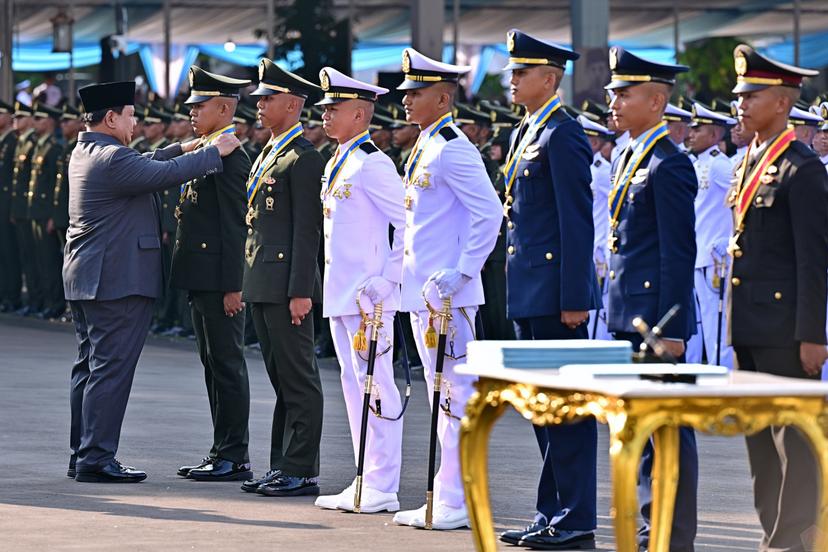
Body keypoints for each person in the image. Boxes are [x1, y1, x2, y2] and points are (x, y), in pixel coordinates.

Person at [64, 80, 240, 483]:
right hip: (117, 281)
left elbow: (148, 161)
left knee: (90, 368)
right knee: (110, 370)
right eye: (130, 115)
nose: (135, 121)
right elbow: (163, 173)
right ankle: (96, 457)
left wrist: (184, 147)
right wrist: (214, 152)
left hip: (90, 279)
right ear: (111, 118)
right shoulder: (112, 159)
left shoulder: (89, 150)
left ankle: (83, 451)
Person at [496, 30, 600, 550]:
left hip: (556, 294)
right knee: (541, 409)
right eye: (512, 71)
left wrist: (574, 299)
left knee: (566, 410)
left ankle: (577, 516)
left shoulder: (563, 134)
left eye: (521, 72)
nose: (511, 79)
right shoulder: (527, 131)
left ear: (550, 78)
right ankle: (553, 511)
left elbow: (577, 223)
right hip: (529, 288)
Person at [391, 47, 501, 531]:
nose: (407, 102)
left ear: (442, 96)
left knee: (455, 397)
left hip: (448, 297)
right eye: (406, 94)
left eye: (416, 94)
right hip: (424, 293)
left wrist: (463, 270)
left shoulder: (453, 146)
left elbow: (490, 212)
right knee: (443, 399)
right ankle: (448, 492)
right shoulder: (427, 145)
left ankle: (456, 497)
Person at [727, 44, 828, 552]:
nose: (740, 103)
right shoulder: (750, 161)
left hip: (787, 329)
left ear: (783, 103)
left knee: (794, 441)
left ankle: (793, 540)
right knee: (760, 443)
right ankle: (773, 534)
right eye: (740, 95)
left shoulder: (802, 168)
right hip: (748, 326)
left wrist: (813, 335)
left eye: (752, 95)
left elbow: (814, 260)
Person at [605, 46, 699, 552]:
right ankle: (648, 533)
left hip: (656, 324)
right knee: (642, 432)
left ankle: (670, 538)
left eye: (625, 93)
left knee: (668, 435)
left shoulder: (669, 164)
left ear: (658, 100)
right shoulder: (629, 153)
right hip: (629, 315)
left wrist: (673, 327)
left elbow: (677, 253)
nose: (613, 102)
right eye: (614, 92)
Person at [311, 67, 406, 513]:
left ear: (361, 113)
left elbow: (407, 223)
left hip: (370, 297)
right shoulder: (340, 159)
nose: (326, 116)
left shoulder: (373, 163)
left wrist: (390, 278)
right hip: (344, 294)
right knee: (354, 388)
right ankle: (365, 476)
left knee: (377, 386)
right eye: (325, 109)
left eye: (335, 109)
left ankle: (382, 485)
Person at [239, 59, 325, 498]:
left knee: (298, 378)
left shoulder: (303, 158)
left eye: (267, 98)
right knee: (280, 379)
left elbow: (306, 230)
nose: (259, 105)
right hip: (262, 280)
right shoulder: (271, 151)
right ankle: (282, 464)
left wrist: (300, 292)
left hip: (286, 286)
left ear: (292, 104)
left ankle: (302, 468)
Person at [170, 67, 253, 482]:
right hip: (201, 275)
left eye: (199, 106)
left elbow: (237, 225)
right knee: (212, 363)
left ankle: (234, 455)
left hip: (219, 280)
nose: (191, 113)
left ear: (224, 107)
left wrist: (234, 285)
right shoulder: (206, 149)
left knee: (227, 364)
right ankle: (221, 449)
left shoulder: (231, 157)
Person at [683, 103, 735, 368]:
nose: (691, 134)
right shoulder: (697, 163)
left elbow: (740, 199)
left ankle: (723, 381)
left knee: (717, 330)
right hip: (698, 254)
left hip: (714, 257)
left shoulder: (719, 165)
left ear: (715, 135)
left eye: (698, 129)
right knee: (697, 327)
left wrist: (729, 238)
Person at [579, 114, 614, 341]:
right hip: (588, 246)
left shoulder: (602, 170)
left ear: (593, 142)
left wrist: (603, 245)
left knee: (599, 315)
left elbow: (612, 209)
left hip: (599, 247)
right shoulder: (586, 167)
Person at [29, 103, 66, 320]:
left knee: (51, 261)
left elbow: (55, 186)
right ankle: (43, 301)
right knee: (39, 260)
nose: (36, 123)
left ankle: (54, 302)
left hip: (48, 214)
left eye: (40, 119)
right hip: (36, 212)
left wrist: (53, 214)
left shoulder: (54, 148)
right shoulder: (41, 147)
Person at [9, 102, 42, 316]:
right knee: (27, 258)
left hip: (36, 211)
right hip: (23, 209)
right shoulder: (22, 142)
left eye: (21, 117)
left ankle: (44, 302)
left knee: (41, 260)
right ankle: (34, 300)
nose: (16, 122)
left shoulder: (31, 143)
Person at [0, 100, 22, 313]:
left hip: (8, 204)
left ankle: (12, 296)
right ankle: (5, 294)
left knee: (10, 252)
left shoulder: (12, 142)